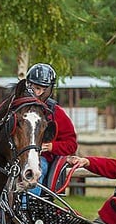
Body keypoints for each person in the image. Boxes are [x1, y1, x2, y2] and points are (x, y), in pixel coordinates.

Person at [24, 63, 77, 194]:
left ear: (49, 90)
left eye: (42, 89)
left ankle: (27, 207)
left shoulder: (56, 113)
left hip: (40, 158)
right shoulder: (14, 107)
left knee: (35, 171)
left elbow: (71, 144)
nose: (37, 93)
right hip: (14, 157)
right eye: (35, 88)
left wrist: (51, 147)